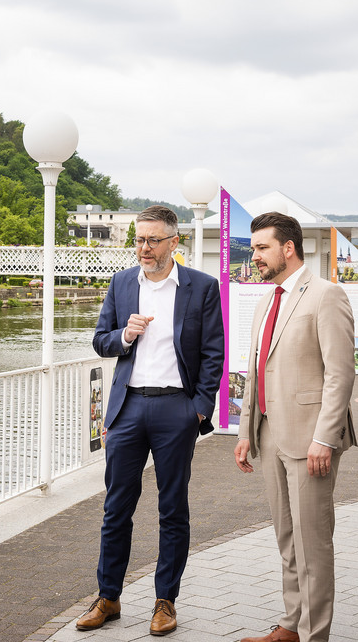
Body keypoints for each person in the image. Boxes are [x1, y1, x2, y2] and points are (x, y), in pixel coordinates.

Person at [76, 205, 224, 637]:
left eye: (152, 240)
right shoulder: (122, 283)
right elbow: (101, 340)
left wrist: (198, 408)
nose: (143, 247)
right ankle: (109, 596)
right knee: (115, 507)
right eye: (139, 239)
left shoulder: (201, 287)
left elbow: (213, 353)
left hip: (176, 410)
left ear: (174, 242)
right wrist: (124, 335)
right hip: (127, 409)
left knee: (172, 508)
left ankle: (165, 602)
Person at [233, 212, 357, 642]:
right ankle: (290, 625)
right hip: (269, 433)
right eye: (253, 248)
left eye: (262, 248)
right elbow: (255, 367)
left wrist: (325, 436)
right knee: (287, 537)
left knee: (312, 544)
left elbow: (341, 374)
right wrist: (246, 431)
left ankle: (314, 635)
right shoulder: (267, 299)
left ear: (288, 248)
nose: (256, 256)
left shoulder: (327, 295)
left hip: (310, 438)